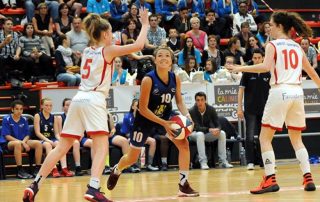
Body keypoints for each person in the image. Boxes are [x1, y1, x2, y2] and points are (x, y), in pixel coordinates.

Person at [23, 7, 149, 202]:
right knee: (102, 146)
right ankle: (93, 187)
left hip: (78, 98)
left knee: (61, 147)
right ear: (106, 34)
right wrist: (146, 23)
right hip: (94, 99)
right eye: (111, 34)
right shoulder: (108, 50)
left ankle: (35, 183)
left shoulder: (87, 51)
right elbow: (140, 43)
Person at [227, 11, 320, 194]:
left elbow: (264, 67)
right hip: (297, 92)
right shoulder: (297, 46)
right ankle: (308, 177)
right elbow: (312, 72)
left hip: (280, 91)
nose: (268, 27)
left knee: (264, 138)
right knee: (296, 139)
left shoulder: (273, 45)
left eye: (271, 24)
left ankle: (270, 179)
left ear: (279, 26)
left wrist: (240, 67)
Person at [107, 46, 199, 197]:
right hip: (145, 119)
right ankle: (117, 169)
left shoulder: (175, 78)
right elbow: (142, 108)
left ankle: (183, 185)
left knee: (184, 145)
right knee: (132, 158)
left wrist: (188, 117)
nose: (163, 58)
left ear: (171, 61)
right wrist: (164, 124)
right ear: (155, 60)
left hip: (166, 116)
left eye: (167, 56)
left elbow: (180, 102)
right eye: (160, 55)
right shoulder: (148, 79)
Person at [237, 48, 270, 170]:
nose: (256, 60)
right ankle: (250, 161)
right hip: (250, 110)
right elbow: (241, 90)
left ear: (263, 58)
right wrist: (239, 108)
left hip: (265, 109)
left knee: (265, 136)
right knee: (249, 136)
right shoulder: (247, 72)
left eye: (259, 58)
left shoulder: (268, 72)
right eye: (254, 58)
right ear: (252, 59)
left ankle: (265, 161)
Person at [189, 91, 233, 169]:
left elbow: (218, 123)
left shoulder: (211, 109)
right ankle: (203, 162)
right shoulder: (192, 111)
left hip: (206, 133)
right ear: (195, 101)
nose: (200, 102)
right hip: (193, 134)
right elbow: (196, 127)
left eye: (202, 100)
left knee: (222, 133)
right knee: (200, 134)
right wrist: (209, 129)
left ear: (205, 100)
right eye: (198, 100)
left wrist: (218, 129)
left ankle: (223, 161)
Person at [1, 100, 43, 179]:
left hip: (23, 141)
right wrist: (22, 143)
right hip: (9, 143)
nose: (19, 111)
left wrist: (23, 142)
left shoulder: (24, 119)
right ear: (12, 109)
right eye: (17, 109)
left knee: (38, 143)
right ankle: (20, 170)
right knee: (17, 143)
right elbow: (7, 136)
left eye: (21, 109)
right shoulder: (6, 119)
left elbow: (27, 134)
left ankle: (37, 169)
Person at [33, 98, 74, 178]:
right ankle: (53, 169)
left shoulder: (54, 117)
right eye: (46, 105)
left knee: (61, 144)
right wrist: (47, 140)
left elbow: (56, 133)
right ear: (42, 106)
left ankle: (64, 168)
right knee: (48, 145)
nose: (49, 107)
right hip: (41, 139)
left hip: (51, 138)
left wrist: (60, 139)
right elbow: (37, 133)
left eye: (50, 105)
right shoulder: (37, 116)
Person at [120, 99, 159, 171]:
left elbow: (148, 130)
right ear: (132, 107)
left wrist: (143, 137)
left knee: (153, 141)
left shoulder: (145, 117)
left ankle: (149, 164)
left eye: (139, 106)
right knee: (129, 141)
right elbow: (125, 132)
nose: (138, 107)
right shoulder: (127, 117)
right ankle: (133, 165)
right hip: (131, 137)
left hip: (142, 136)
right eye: (136, 106)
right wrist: (133, 137)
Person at [57, 98, 83, 176]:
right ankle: (64, 168)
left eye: (71, 105)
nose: (69, 107)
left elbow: (81, 130)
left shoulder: (77, 117)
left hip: (75, 138)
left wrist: (78, 137)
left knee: (76, 143)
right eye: (67, 105)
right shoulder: (59, 118)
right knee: (73, 142)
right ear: (63, 107)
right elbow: (59, 132)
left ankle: (78, 167)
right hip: (65, 138)